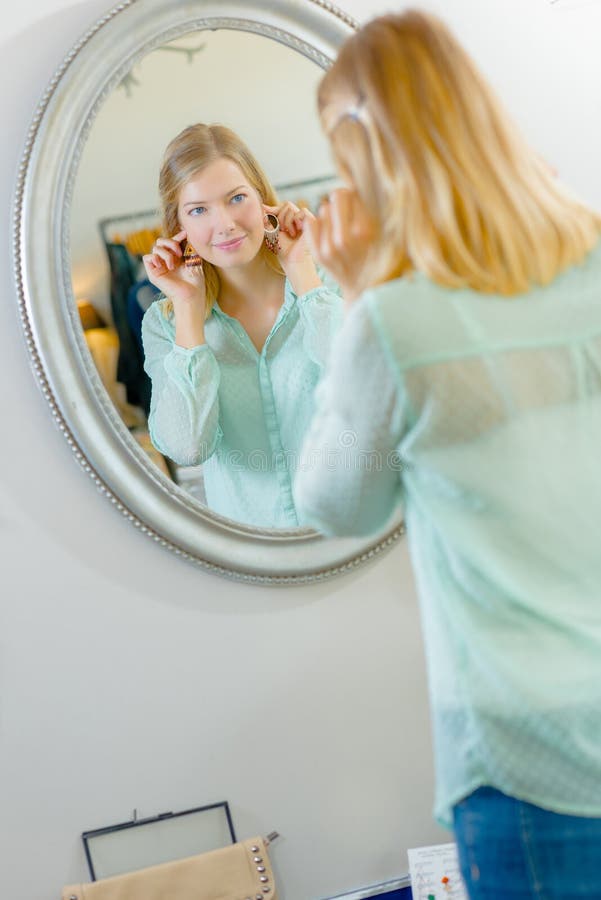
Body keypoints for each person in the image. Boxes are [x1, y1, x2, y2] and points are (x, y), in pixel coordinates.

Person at [293, 10, 601, 899]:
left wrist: (353, 300)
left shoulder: (393, 322)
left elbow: (334, 503)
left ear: (362, 156)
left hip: (524, 756)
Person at [141, 123, 341, 527]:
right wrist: (188, 309)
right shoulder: (164, 325)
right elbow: (187, 448)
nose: (226, 223)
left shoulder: (329, 280)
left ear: (262, 198)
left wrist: (302, 272)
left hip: (355, 536)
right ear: (177, 225)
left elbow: (368, 387)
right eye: (199, 210)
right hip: (253, 557)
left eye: (236, 198)